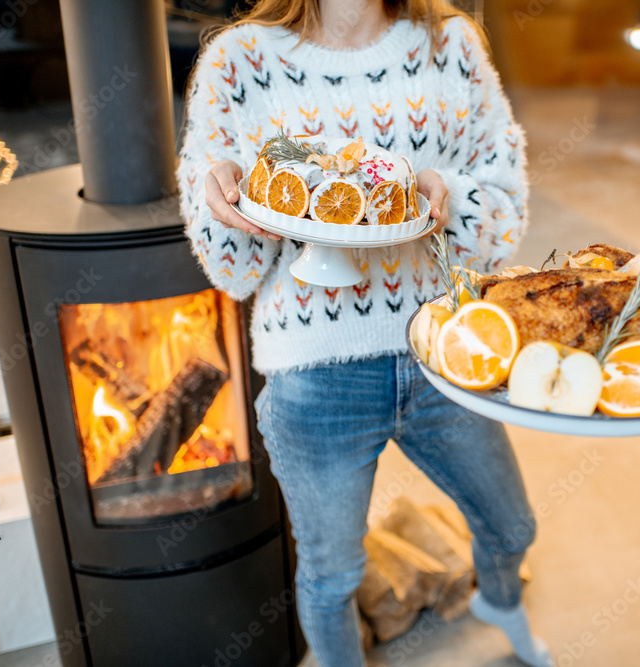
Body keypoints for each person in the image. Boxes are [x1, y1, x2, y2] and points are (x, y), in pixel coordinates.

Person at [176, 2, 551, 666]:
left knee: (512, 524)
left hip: (442, 349)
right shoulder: (238, 63)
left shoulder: (451, 43)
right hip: (315, 371)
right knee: (331, 573)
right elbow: (232, 272)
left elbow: (502, 207)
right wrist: (225, 205)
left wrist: (450, 192)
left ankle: (499, 600)